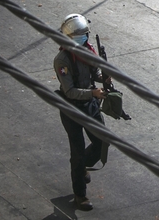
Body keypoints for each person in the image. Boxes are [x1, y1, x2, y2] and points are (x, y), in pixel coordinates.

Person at [53, 14, 110, 211]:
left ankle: (83, 166)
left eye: (84, 35)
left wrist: (105, 77)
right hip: (72, 109)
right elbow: (69, 91)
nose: (83, 39)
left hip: (90, 105)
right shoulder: (62, 60)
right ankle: (80, 195)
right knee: (77, 153)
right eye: (78, 36)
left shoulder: (88, 51)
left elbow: (95, 74)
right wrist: (93, 93)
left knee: (102, 141)